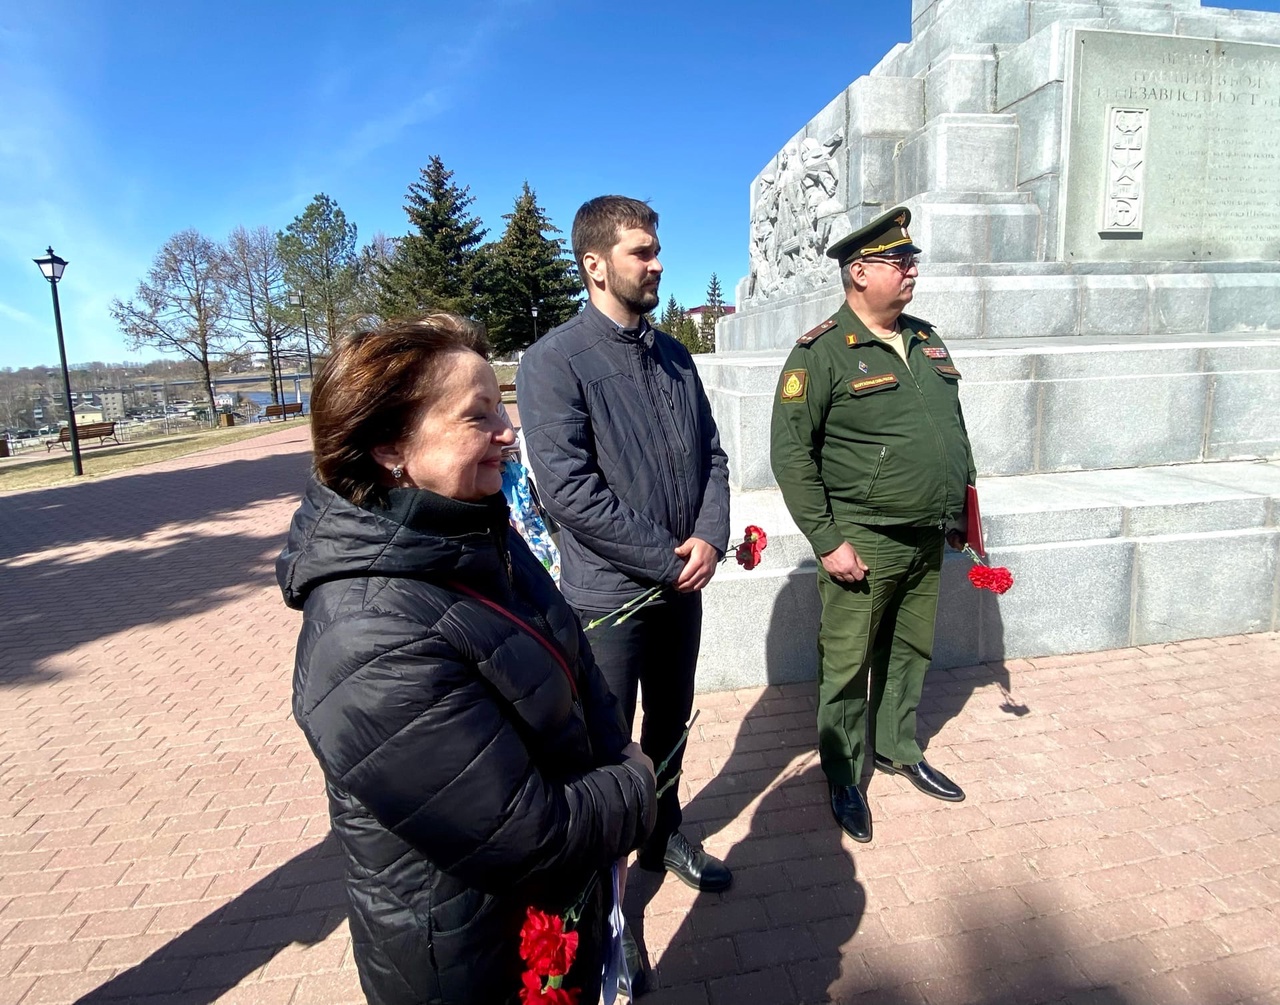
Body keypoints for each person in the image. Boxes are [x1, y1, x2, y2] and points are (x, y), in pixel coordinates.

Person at [277, 315, 656, 1005]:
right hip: (471, 960)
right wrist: (635, 786)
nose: (509, 431)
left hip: (547, 916)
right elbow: (526, 832)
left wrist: (610, 747)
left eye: (501, 406)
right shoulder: (366, 640)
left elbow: (570, 656)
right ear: (391, 447)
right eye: (477, 416)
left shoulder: (470, 526)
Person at [517, 195, 733, 894]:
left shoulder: (674, 356)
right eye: (641, 251)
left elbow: (713, 455)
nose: (658, 262)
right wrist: (666, 559)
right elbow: (570, 491)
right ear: (596, 265)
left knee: (671, 724)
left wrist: (709, 535)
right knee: (607, 752)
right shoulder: (555, 362)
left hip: (681, 591)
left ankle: (663, 835)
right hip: (610, 599)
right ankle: (607, 906)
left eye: (655, 249)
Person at [769, 206, 975, 844]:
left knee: (910, 649)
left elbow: (953, 431)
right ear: (858, 273)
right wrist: (828, 541)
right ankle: (842, 773)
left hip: (925, 532)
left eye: (912, 260)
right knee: (848, 660)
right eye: (898, 261)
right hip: (865, 537)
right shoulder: (822, 352)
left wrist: (962, 508)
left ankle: (897, 747)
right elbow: (791, 454)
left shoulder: (926, 339)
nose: (911, 270)